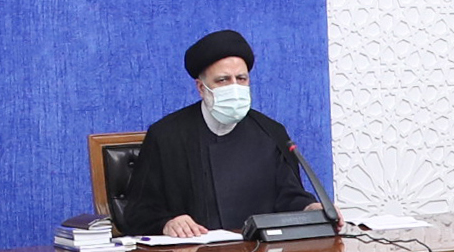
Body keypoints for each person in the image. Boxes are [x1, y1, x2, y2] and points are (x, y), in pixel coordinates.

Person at [127, 30, 321, 239]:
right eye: (223, 80)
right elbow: (137, 213)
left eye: (241, 78)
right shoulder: (166, 135)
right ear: (201, 88)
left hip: (260, 250)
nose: (234, 87)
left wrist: (311, 209)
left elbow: (289, 197)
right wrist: (168, 223)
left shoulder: (271, 132)